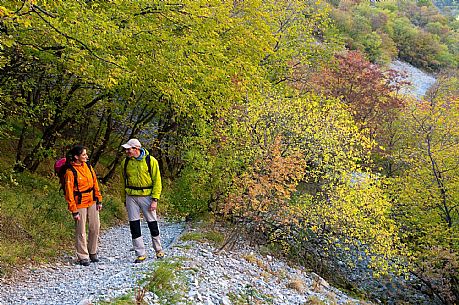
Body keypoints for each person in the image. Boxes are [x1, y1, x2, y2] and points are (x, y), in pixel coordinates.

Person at [121, 138, 165, 263]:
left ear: (137, 149)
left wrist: (155, 199)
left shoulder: (150, 161)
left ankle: (158, 250)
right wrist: (123, 198)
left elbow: (157, 181)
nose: (127, 152)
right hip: (131, 196)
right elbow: (123, 181)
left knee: (152, 223)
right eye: (126, 149)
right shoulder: (125, 163)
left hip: (147, 195)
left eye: (129, 149)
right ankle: (140, 253)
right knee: (134, 225)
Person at [64, 145, 103, 266]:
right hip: (79, 203)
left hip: (92, 200)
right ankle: (83, 256)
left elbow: (95, 183)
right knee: (81, 230)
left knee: (95, 226)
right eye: (84, 155)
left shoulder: (88, 167)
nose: (86, 156)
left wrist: (99, 199)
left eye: (86, 154)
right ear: (76, 157)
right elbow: (69, 193)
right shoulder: (70, 172)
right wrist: (73, 210)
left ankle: (93, 252)